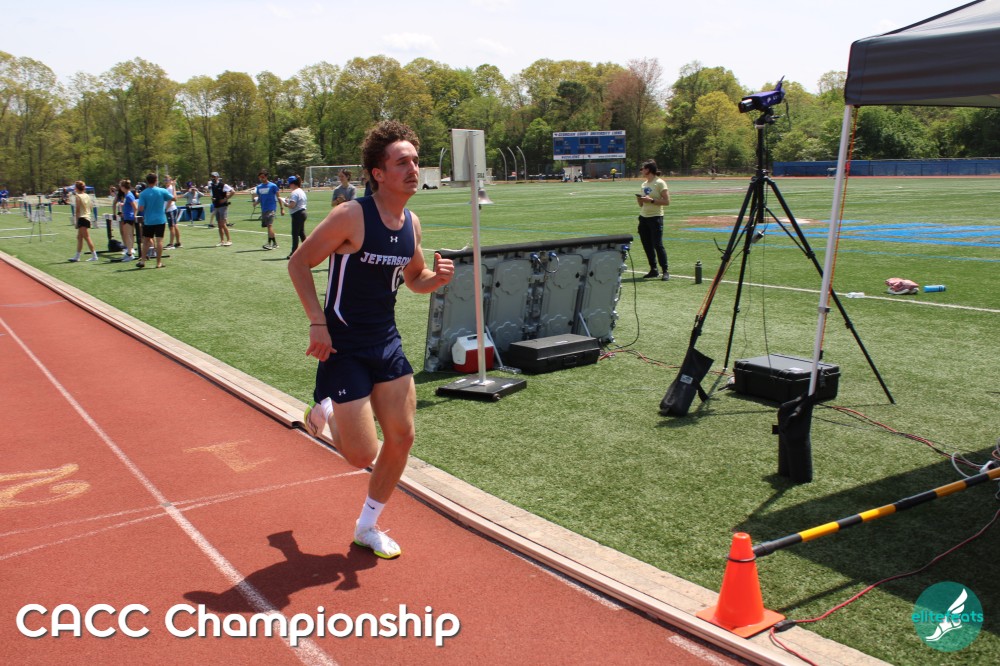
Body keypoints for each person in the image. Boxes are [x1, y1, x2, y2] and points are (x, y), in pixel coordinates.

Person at [287, 120, 455, 559]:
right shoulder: (351, 216)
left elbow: (414, 278)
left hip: (386, 341)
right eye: (402, 162)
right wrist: (317, 322)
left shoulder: (411, 223)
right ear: (378, 173)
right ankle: (324, 409)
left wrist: (435, 279)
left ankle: (367, 526)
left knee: (402, 437)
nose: (413, 169)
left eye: (415, 161)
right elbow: (299, 263)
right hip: (343, 345)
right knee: (362, 455)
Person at [635, 159, 670, 281]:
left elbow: (667, 202)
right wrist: (640, 200)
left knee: (657, 244)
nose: (641, 171)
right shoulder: (644, 184)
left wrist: (652, 200)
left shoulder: (660, 183)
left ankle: (665, 270)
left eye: (643, 169)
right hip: (643, 217)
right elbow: (641, 205)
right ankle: (653, 269)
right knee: (647, 244)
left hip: (655, 218)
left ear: (648, 170)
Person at [136, 173, 175, 269]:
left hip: (149, 220)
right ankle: (158, 263)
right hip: (160, 219)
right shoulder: (162, 191)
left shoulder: (143, 193)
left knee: (146, 241)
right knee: (159, 241)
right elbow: (174, 198)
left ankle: (143, 261)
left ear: (147, 181)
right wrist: (173, 187)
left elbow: (141, 208)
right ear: (156, 180)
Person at [68, 181, 98, 262]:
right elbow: (91, 206)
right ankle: (77, 256)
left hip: (82, 218)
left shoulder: (78, 197)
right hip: (87, 217)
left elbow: (77, 210)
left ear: (76, 188)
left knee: (86, 237)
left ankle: (94, 255)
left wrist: (76, 222)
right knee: (79, 237)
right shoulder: (87, 195)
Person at [256, 169, 284, 250]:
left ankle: (269, 244)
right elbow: (260, 198)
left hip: (271, 208)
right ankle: (275, 244)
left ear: (266, 176)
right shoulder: (259, 187)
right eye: (260, 177)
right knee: (268, 226)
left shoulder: (273, 186)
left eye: (263, 177)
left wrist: (282, 208)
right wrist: (256, 203)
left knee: (269, 225)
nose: (261, 178)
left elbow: (278, 197)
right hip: (264, 209)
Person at [281, 175, 308, 259]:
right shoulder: (301, 191)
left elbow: (292, 205)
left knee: (295, 234)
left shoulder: (294, 192)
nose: (289, 186)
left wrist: (285, 204)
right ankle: (308, 249)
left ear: (292, 184)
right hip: (303, 213)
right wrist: (288, 201)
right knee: (301, 233)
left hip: (297, 214)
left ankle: (294, 253)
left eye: (289, 184)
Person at [209, 171, 234, 245]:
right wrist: (213, 199)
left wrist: (225, 199)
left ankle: (229, 240)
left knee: (223, 224)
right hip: (216, 205)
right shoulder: (212, 185)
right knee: (219, 224)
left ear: (217, 177)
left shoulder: (223, 185)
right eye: (212, 177)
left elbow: (232, 191)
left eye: (214, 177)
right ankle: (222, 241)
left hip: (223, 206)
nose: (213, 178)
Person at [118, 179, 138, 261]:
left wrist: (134, 216)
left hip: (129, 218)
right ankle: (129, 252)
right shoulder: (127, 195)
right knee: (127, 235)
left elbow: (135, 207)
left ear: (123, 187)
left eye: (121, 187)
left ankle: (130, 254)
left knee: (128, 235)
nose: (120, 188)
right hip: (127, 217)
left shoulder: (129, 195)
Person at [164, 175, 182, 249]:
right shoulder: (168, 188)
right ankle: (178, 242)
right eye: (165, 180)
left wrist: (166, 209)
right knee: (175, 226)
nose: (165, 181)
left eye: (167, 180)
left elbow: (171, 200)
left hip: (170, 209)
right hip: (171, 209)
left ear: (170, 181)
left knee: (171, 227)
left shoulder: (170, 188)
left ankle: (171, 244)